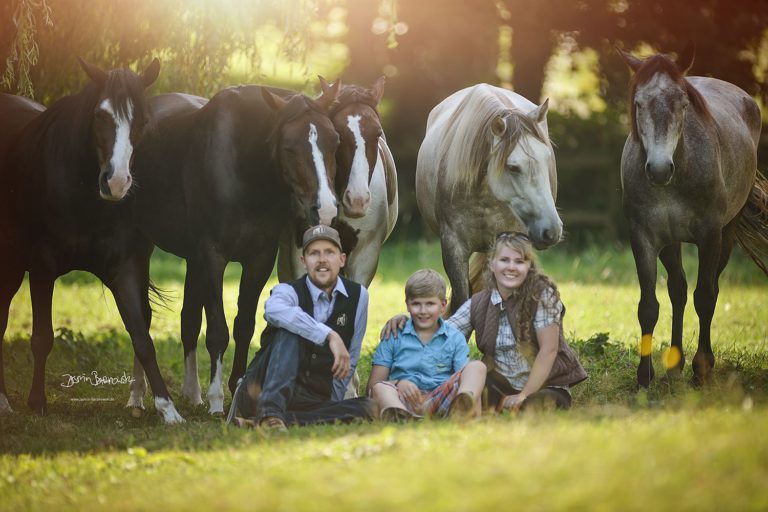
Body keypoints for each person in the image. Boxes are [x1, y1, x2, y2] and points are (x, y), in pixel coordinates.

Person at [382, 232, 587, 412]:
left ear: (529, 266)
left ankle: (520, 402)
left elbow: (548, 351)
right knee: (467, 394)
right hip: (501, 383)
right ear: (492, 264)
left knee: (533, 407)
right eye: (504, 260)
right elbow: (442, 332)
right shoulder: (479, 303)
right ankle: (418, 408)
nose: (511, 267)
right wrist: (407, 320)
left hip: (545, 384)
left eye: (519, 261)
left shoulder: (542, 295)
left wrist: (524, 394)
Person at [227, 225, 374, 431]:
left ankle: (270, 421)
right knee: (290, 328)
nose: (322, 260)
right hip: (260, 389)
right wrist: (329, 335)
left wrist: (332, 404)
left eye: (329, 253)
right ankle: (270, 413)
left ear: (342, 260)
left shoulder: (359, 296)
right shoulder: (288, 291)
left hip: (310, 397)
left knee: (371, 407)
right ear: (303, 261)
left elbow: (350, 357)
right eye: (314, 253)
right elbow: (273, 310)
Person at [367, 269, 486, 421]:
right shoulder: (394, 335)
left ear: (443, 306)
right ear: (407, 305)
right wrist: (399, 383)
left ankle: (464, 409)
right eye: (416, 304)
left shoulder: (454, 338)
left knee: (477, 368)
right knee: (380, 388)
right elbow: (372, 387)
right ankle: (400, 416)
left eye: (430, 304)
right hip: (403, 399)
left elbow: (462, 376)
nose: (423, 311)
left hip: (440, 399)